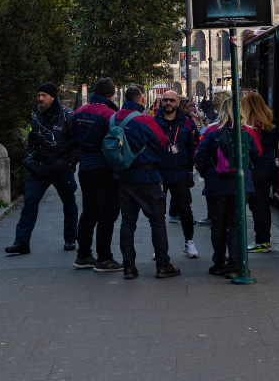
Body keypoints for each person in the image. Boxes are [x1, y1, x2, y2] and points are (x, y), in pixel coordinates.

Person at [111, 86, 179, 280]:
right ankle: (162, 265)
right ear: (142, 99)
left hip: (123, 177)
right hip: (147, 176)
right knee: (157, 220)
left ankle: (129, 267)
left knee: (127, 223)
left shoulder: (114, 119)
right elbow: (162, 143)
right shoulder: (145, 120)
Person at [6, 83, 79, 255]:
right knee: (30, 202)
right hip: (40, 169)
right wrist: (30, 158)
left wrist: (70, 164)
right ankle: (21, 242)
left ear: (52, 97)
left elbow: (77, 143)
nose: (40, 99)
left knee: (69, 203)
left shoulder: (68, 116)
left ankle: (70, 239)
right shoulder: (36, 116)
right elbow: (31, 139)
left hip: (61, 168)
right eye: (38, 95)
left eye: (43, 95)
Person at [194, 95, 259, 279]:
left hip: (216, 186)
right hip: (241, 185)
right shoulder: (246, 131)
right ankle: (235, 265)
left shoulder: (211, 131)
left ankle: (219, 263)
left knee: (218, 225)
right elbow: (255, 154)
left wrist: (209, 174)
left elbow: (199, 158)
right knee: (236, 224)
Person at [70, 77, 123, 272]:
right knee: (107, 213)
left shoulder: (78, 113)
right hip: (104, 168)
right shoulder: (110, 115)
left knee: (88, 211)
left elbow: (72, 139)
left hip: (84, 167)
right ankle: (104, 257)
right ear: (111, 95)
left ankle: (83, 254)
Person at [155, 90, 200, 259]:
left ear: (177, 103)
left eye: (172, 100)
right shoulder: (154, 122)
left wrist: (191, 166)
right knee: (158, 212)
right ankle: (159, 247)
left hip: (180, 172)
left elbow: (193, 144)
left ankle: (189, 242)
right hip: (159, 173)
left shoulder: (186, 123)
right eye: (165, 100)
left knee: (185, 210)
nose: (168, 103)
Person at [240, 91, 278, 253]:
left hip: (256, 168)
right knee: (264, 205)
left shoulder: (251, 125)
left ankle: (261, 241)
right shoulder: (269, 123)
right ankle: (265, 240)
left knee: (256, 206)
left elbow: (254, 150)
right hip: (269, 167)